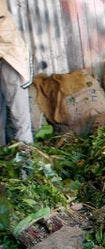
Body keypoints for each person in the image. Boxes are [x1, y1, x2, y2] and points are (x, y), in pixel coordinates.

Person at [0, 0, 33, 145]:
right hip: (7, 57)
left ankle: (26, 163)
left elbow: (5, 33)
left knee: (20, 119)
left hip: (11, 60)